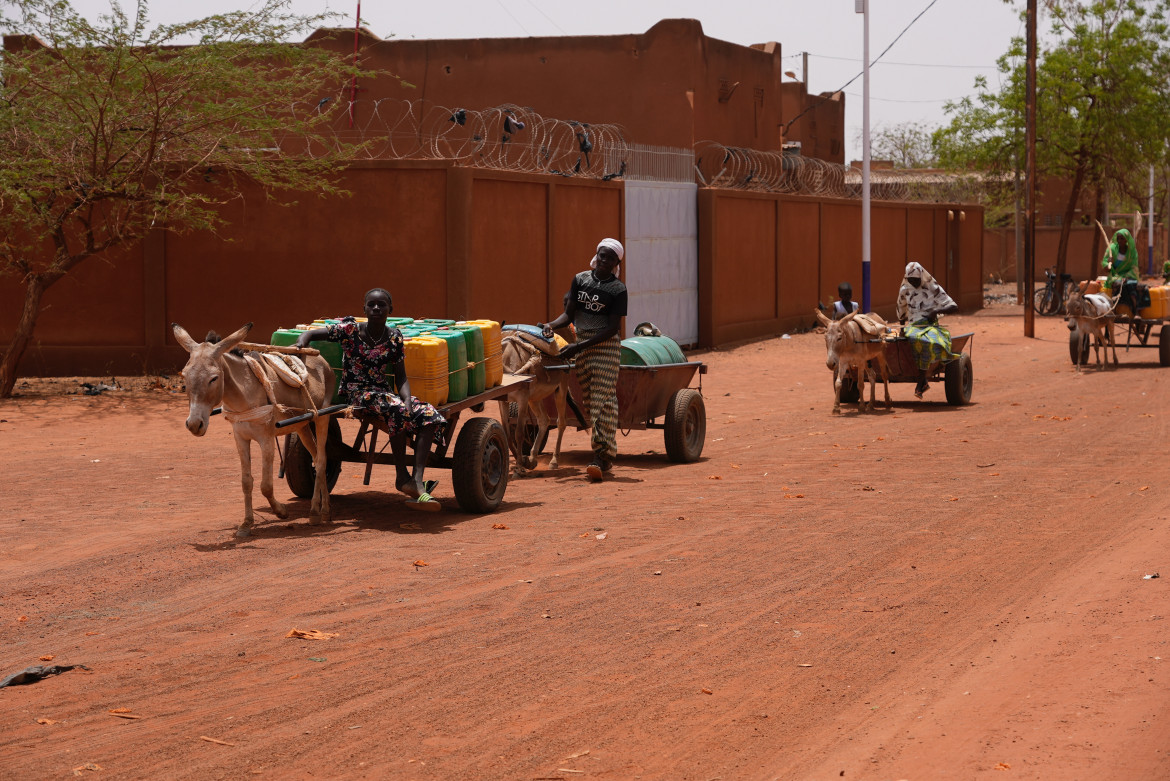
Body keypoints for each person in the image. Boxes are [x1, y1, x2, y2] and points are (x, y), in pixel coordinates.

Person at [295, 288, 446, 511]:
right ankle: (401, 476)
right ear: (364, 309)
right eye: (371, 305)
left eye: (382, 305)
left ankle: (416, 479)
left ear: (390, 310)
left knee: (429, 415)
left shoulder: (394, 336)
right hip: (357, 393)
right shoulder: (351, 330)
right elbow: (312, 334)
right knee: (396, 410)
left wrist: (405, 399)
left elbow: (401, 376)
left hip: (383, 393)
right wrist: (301, 343)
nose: (376, 308)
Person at [539, 238, 627, 482]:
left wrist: (579, 346)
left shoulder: (618, 290)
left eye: (610, 258)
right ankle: (604, 455)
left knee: (602, 400)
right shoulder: (580, 280)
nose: (604, 261)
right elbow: (568, 315)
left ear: (617, 263)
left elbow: (611, 329)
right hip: (582, 346)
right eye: (602, 255)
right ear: (596, 255)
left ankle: (601, 456)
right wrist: (550, 325)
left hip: (606, 348)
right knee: (589, 401)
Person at [896, 261, 958, 400]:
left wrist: (936, 311)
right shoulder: (905, 289)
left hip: (931, 326)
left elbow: (954, 306)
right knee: (916, 339)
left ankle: (921, 379)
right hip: (913, 327)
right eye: (911, 279)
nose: (914, 282)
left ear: (921, 276)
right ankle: (922, 381)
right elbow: (901, 310)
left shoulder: (932, 287)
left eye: (916, 279)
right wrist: (901, 328)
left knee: (931, 341)